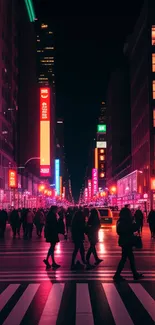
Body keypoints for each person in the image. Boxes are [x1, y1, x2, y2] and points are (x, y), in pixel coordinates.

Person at [113, 207, 143, 282]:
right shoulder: (126, 221)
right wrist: (137, 221)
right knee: (125, 259)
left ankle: (134, 274)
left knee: (128, 258)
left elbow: (119, 231)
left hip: (124, 241)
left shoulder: (120, 220)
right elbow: (134, 228)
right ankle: (117, 275)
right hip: (127, 241)